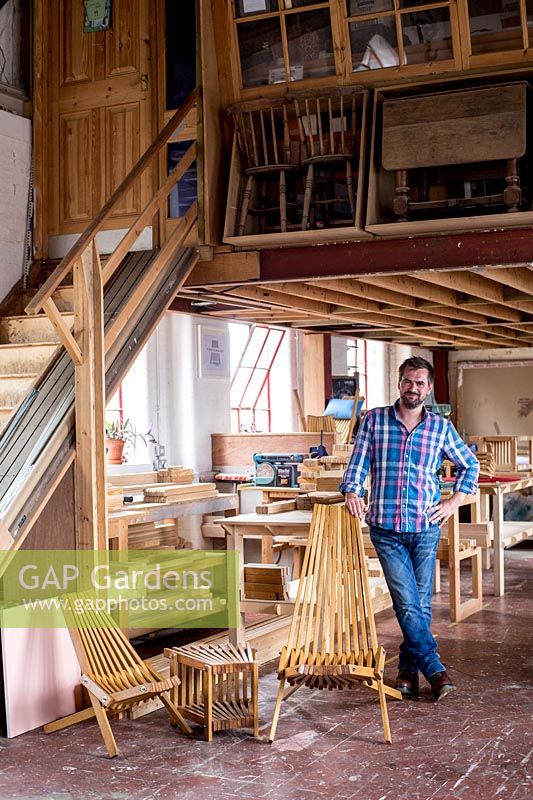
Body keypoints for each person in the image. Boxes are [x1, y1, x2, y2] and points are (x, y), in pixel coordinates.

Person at [340, 356, 479, 701]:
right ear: (399, 383)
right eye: (407, 381)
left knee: (418, 604)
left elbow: (470, 466)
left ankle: (406, 672)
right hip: (385, 526)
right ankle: (434, 669)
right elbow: (358, 463)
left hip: (425, 525)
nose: (412, 388)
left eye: (419, 383)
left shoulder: (440, 428)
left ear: (428, 389)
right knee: (406, 601)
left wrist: (452, 503)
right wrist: (352, 490)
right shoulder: (373, 420)